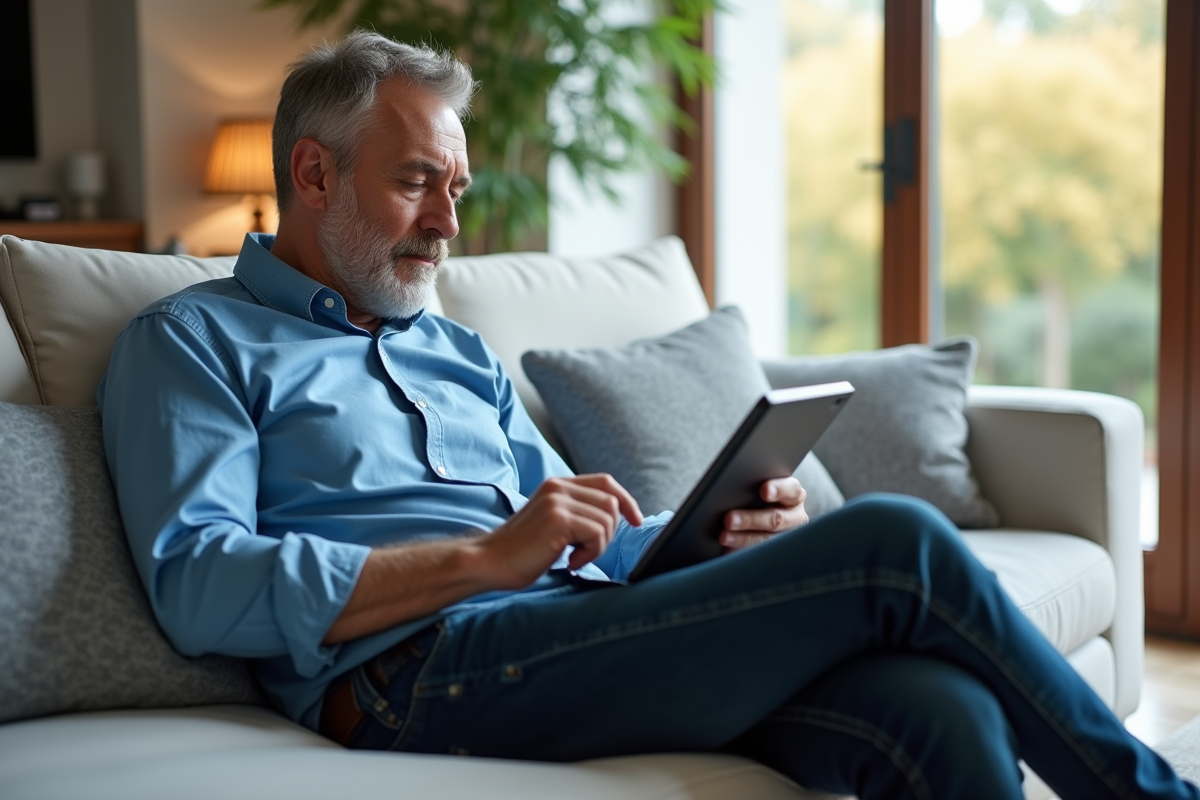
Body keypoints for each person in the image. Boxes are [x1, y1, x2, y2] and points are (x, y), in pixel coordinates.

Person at [98, 30, 1195, 800]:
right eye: (417, 182)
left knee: (937, 709)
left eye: (458, 190)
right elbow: (202, 582)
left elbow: (565, 530)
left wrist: (688, 537)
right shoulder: (190, 343)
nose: (447, 223)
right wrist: (485, 555)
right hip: (414, 676)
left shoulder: (455, 347)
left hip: (566, 633)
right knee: (894, 542)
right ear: (312, 174)